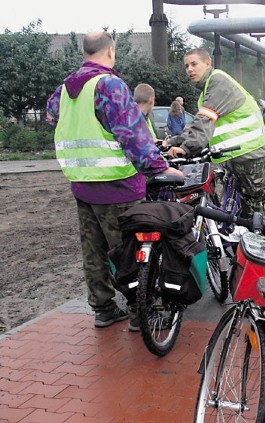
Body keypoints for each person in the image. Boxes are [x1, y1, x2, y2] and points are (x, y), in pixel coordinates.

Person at [46, 31, 182, 330]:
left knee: (93, 250)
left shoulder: (66, 89)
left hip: (82, 184)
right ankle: (139, 313)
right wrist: (159, 167)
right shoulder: (110, 85)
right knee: (128, 252)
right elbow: (132, 134)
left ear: (85, 52)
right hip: (118, 185)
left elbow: (51, 116)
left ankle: (104, 308)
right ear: (110, 51)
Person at [164, 48, 265, 215]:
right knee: (235, 208)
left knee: (252, 210)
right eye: (186, 66)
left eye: (194, 64)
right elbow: (200, 124)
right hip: (234, 153)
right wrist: (172, 142)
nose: (189, 69)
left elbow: (205, 120)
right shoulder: (206, 90)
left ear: (208, 63)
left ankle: (262, 240)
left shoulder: (218, 82)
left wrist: (185, 148)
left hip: (250, 152)